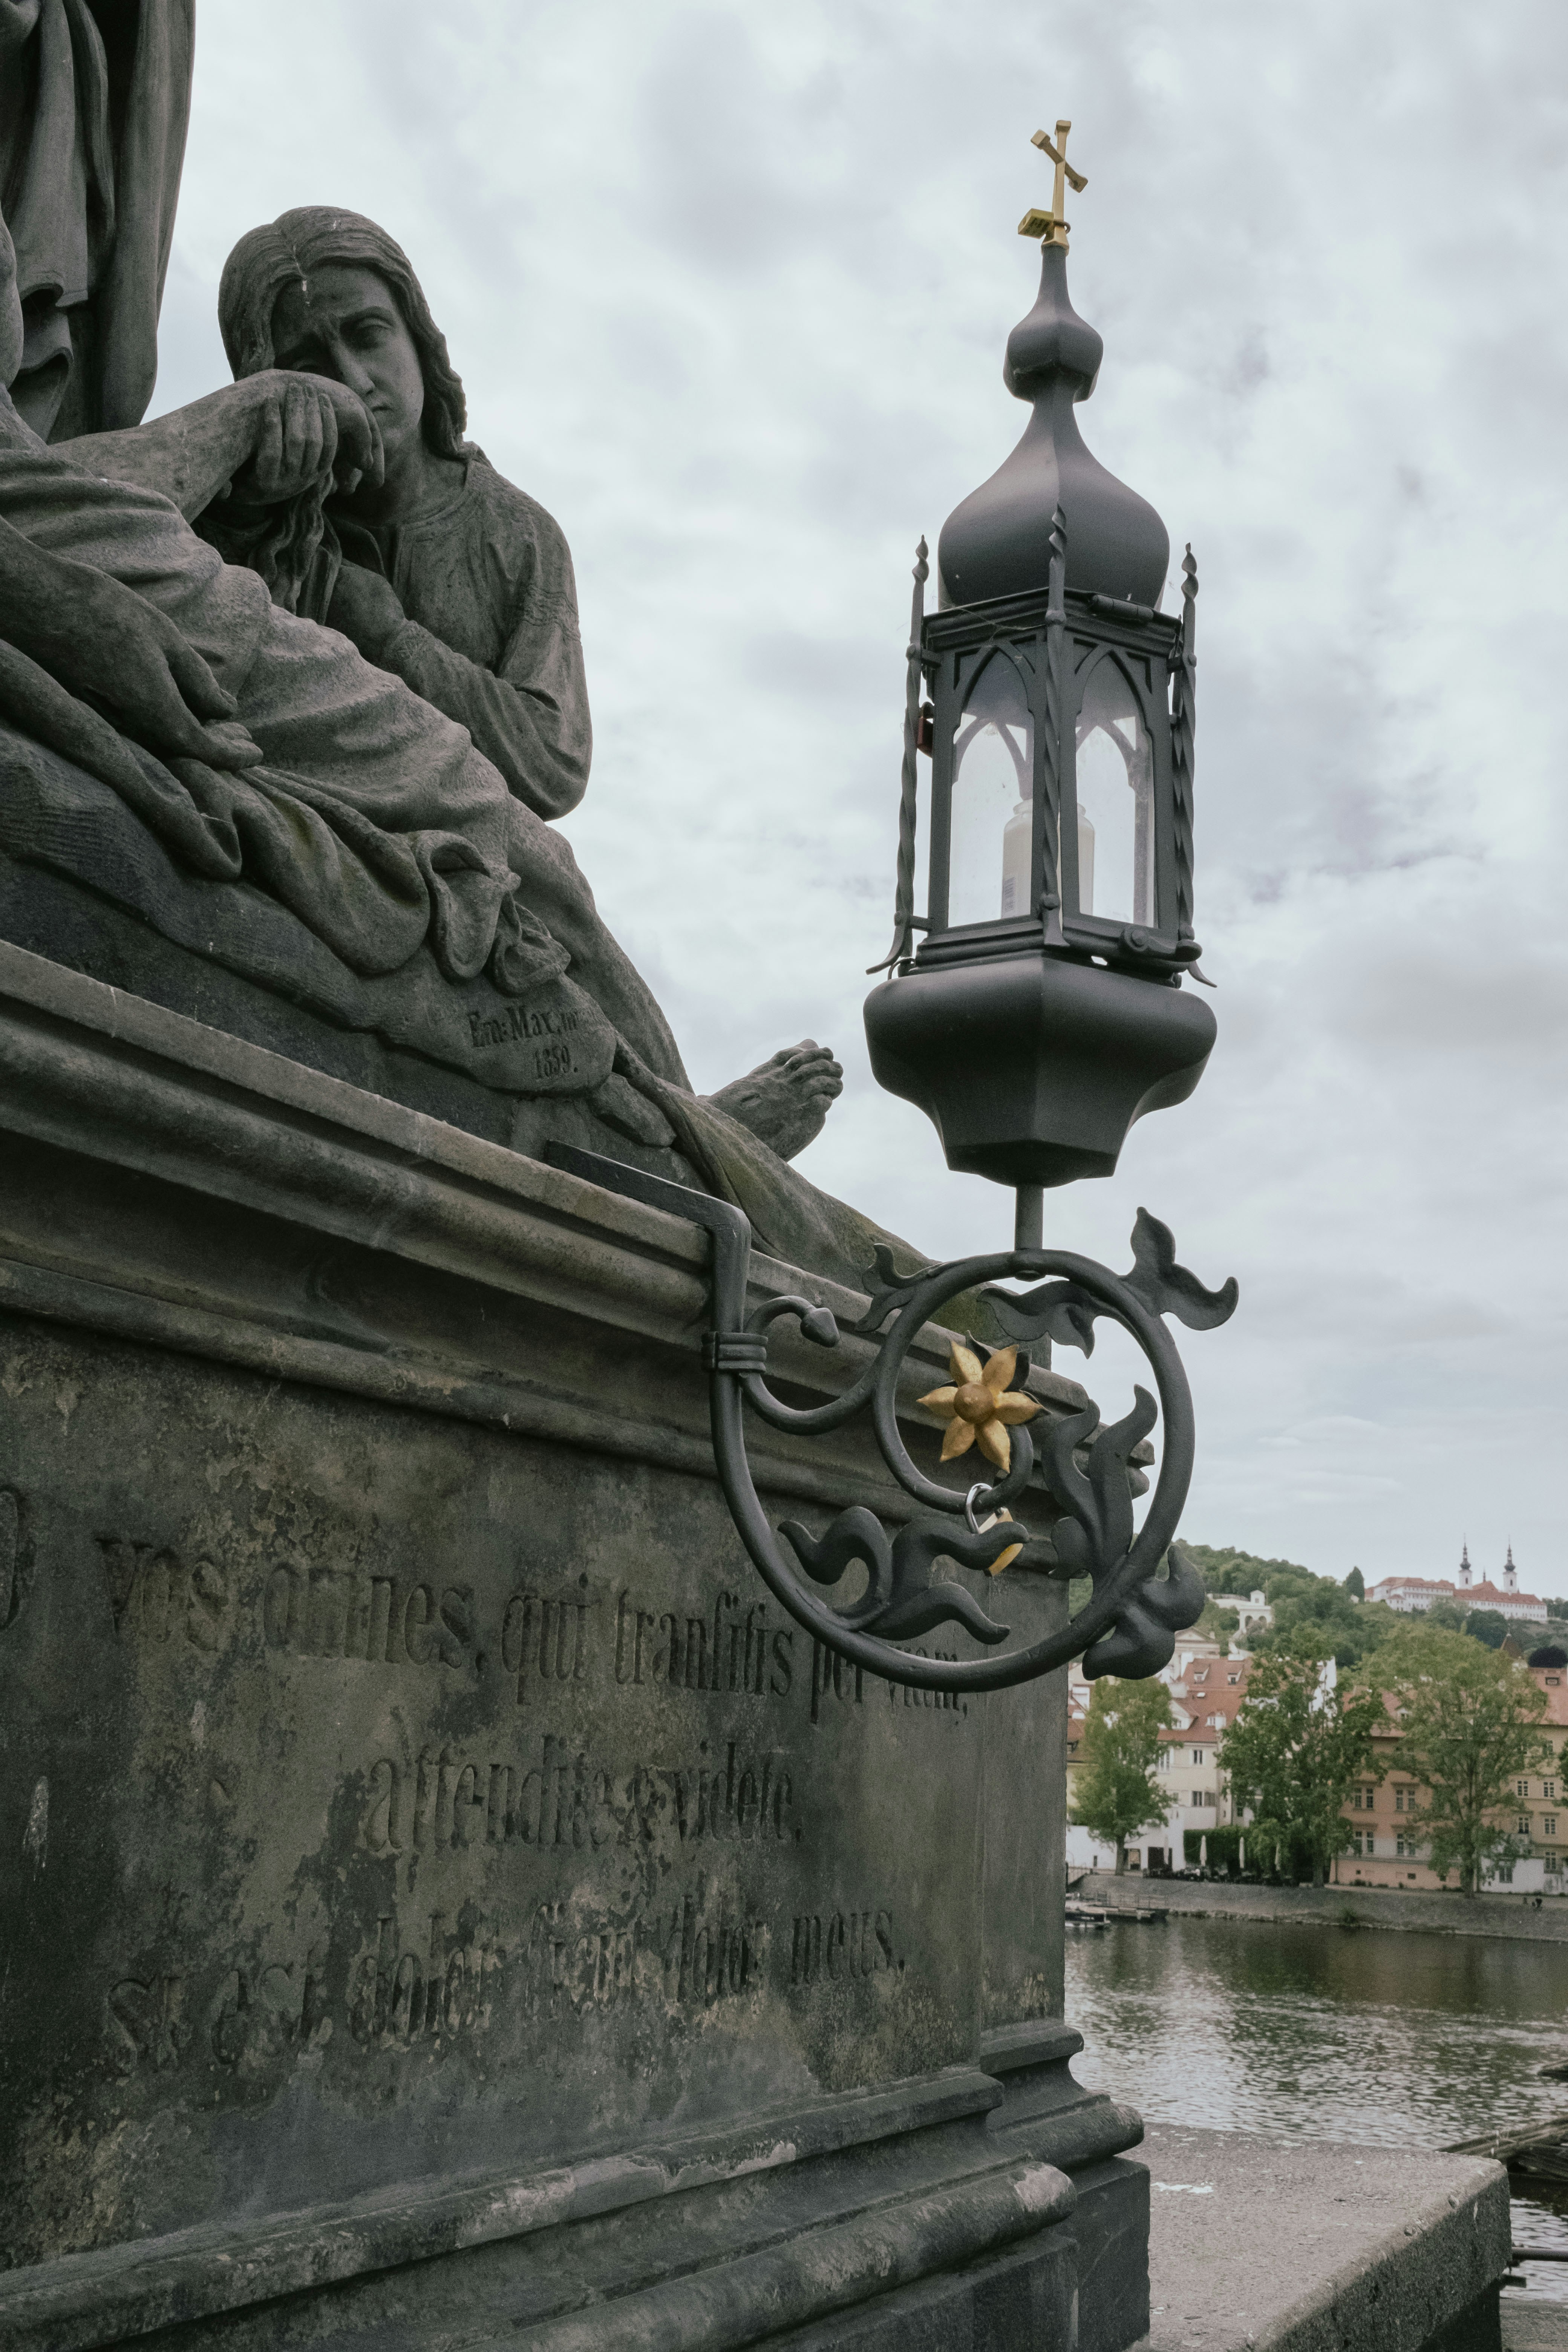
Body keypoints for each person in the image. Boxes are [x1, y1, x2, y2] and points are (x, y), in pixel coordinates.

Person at [207, 206, 841, 1159]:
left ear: (419, 339)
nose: (350, 377)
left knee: (553, 901)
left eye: (368, 334)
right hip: (325, 829)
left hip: (486, 857)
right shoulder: (259, 526)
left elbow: (549, 763)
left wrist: (388, 634)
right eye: (306, 356)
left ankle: (698, 1136)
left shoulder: (512, 533)